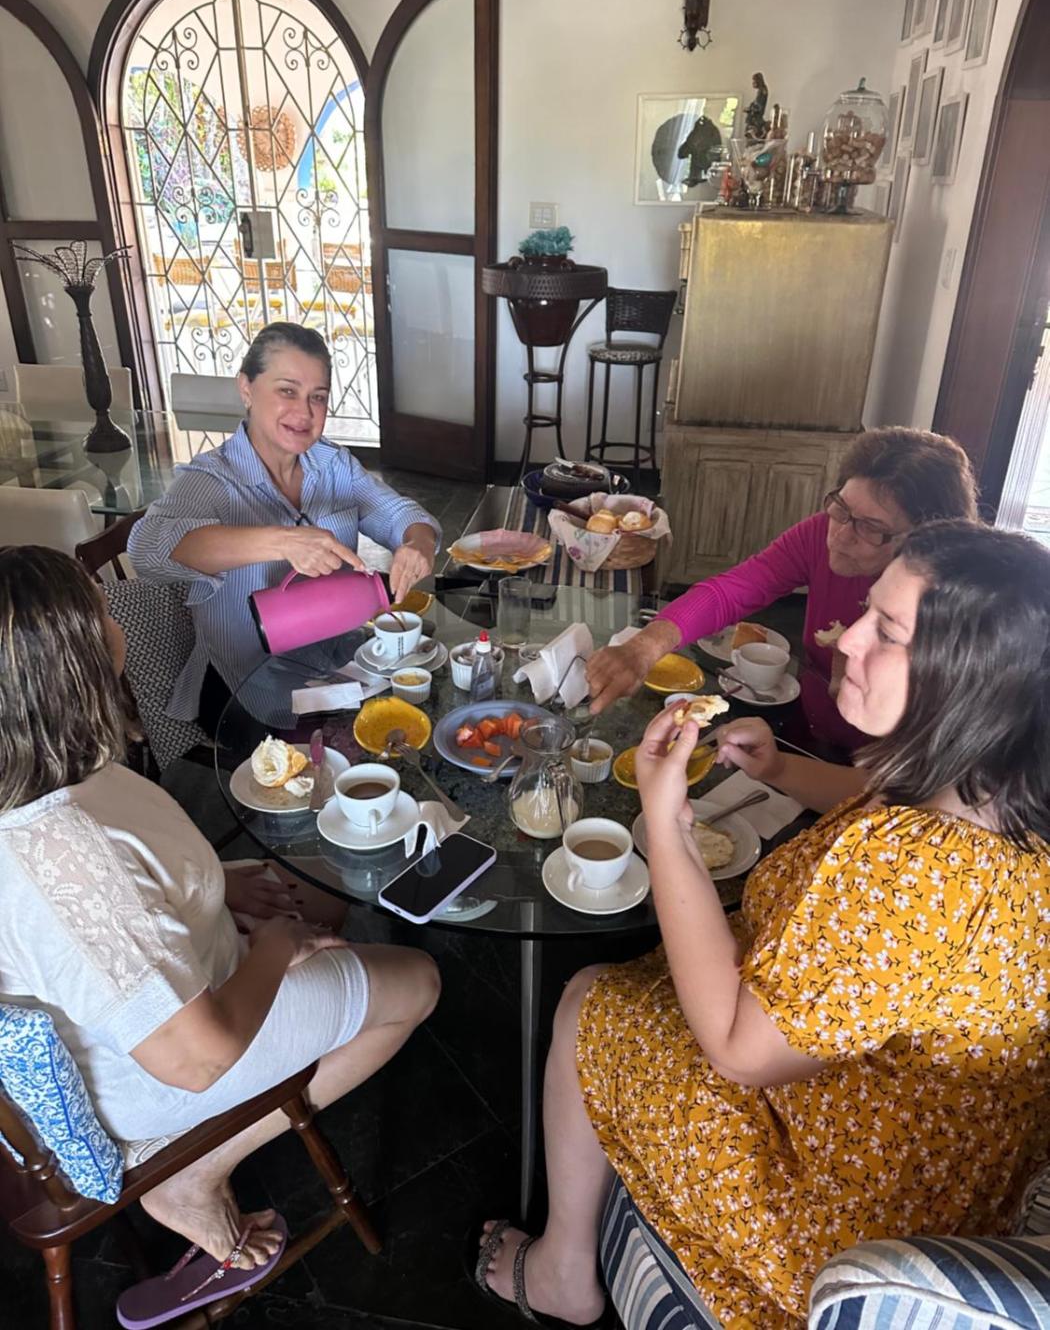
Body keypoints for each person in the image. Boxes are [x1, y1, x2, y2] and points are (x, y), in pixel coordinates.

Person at [477, 520, 1050, 1329]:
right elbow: (870, 800)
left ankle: (562, 1272)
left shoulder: (920, 872)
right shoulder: (994, 791)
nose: (847, 639)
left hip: (846, 1210)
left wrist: (665, 821)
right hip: (921, 1155)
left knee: (588, 1000)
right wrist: (780, 768)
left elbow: (740, 1053)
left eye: (887, 631)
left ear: (973, 678)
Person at [0, 545, 440, 1277]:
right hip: (160, 1070)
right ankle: (193, 1173)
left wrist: (219, 885)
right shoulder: (65, 856)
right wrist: (277, 947)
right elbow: (196, 1058)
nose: (117, 623)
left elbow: (125, 889)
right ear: (67, 664)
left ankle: (301, 1000)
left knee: (327, 877)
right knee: (417, 981)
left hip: (177, 978)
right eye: (103, 613)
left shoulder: (47, 767)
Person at [586, 426, 979, 751]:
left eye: (871, 528)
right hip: (802, 740)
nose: (840, 535)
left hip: (879, 784)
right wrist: (644, 647)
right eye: (841, 508)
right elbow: (732, 591)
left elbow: (918, 771)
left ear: (925, 542)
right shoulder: (821, 533)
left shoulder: (949, 609)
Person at [130, 323, 441, 728]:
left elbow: (401, 514)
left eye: (318, 397)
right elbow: (146, 548)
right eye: (287, 391)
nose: (305, 412)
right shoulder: (212, 480)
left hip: (334, 667)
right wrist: (282, 542)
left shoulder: (332, 465)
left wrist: (418, 543)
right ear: (246, 388)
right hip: (244, 690)